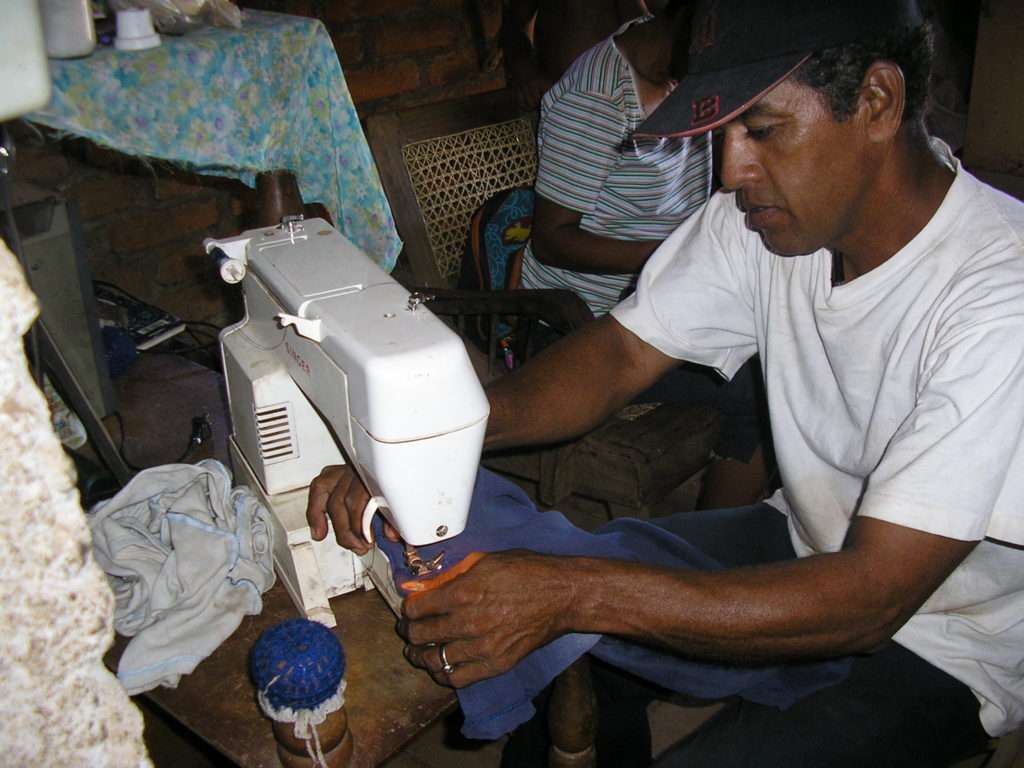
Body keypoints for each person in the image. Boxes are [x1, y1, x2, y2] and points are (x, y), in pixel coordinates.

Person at [308, 0, 1024, 765]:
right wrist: (425, 443)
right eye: (723, 132)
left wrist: (574, 592)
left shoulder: (999, 298)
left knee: (583, 608)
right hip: (805, 537)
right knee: (560, 640)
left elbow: (871, 598)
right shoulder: (759, 224)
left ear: (878, 101)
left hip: (948, 635)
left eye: (762, 129)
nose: (731, 170)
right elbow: (618, 355)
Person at [518, 0, 773, 506]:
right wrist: (674, 257)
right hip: (588, 323)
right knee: (765, 388)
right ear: (689, 26)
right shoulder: (596, 98)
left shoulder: (683, 74)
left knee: (785, 348)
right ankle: (710, 548)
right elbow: (552, 238)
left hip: (671, 297)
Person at [500, 0, 662, 113]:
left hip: (635, 106)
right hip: (564, 102)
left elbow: (658, 29)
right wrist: (525, 70)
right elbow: (515, 22)